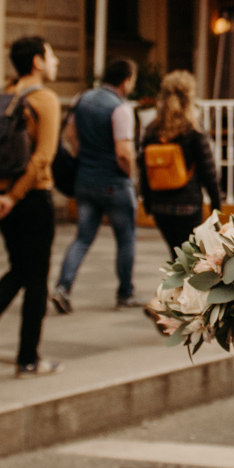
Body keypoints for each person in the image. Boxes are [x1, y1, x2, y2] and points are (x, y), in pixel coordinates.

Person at [0, 36, 65, 376]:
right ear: (37, 60)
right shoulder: (45, 99)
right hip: (31, 198)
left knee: (20, 268)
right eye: (51, 55)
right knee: (37, 279)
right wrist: (13, 197)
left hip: (2, 200)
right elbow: (43, 159)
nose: (56, 61)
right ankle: (28, 359)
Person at [50, 57, 138, 310]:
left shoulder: (81, 99)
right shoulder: (120, 108)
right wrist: (129, 176)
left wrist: (84, 159)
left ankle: (63, 287)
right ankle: (125, 293)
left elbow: (71, 137)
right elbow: (124, 152)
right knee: (126, 237)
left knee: (83, 237)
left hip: (84, 181)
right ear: (126, 80)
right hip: (114, 183)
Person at [137, 69, 221, 258]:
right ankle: (184, 288)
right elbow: (208, 170)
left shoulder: (153, 130)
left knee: (176, 256)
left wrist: (148, 202)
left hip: (160, 205)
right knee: (191, 259)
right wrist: (216, 204)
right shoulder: (192, 129)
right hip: (187, 205)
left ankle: (176, 287)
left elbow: (145, 169)